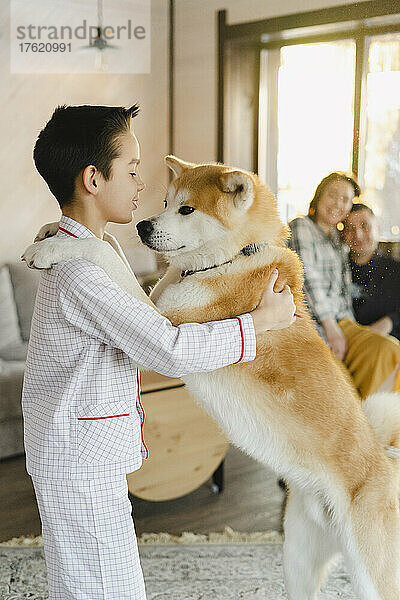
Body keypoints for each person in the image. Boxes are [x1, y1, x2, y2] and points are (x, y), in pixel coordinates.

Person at [21, 104, 296, 600]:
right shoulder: (82, 273)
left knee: (98, 579)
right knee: (105, 586)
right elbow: (164, 348)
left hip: (79, 452)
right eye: (131, 171)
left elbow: (142, 316)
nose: (140, 184)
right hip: (79, 457)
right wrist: (261, 322)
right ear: (92, 179)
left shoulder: (94, 252)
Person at [288, 171, 400, 399]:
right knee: (338, 382)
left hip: (345, 323)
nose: (338, 204)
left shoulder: (338, 241)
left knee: (389, 350)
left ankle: (369, 417)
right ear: (319, 196)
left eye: (345, 199)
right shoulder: (301, 227)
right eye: (333, 195)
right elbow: (309, 281)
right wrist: (332, 329)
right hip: (319, 324)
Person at [343, 202, 400, 340]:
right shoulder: (336, 270)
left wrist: (391, 321)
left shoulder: (396, 270)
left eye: (365, 226)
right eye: (350, 229)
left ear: (378, 229)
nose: (358, 235)